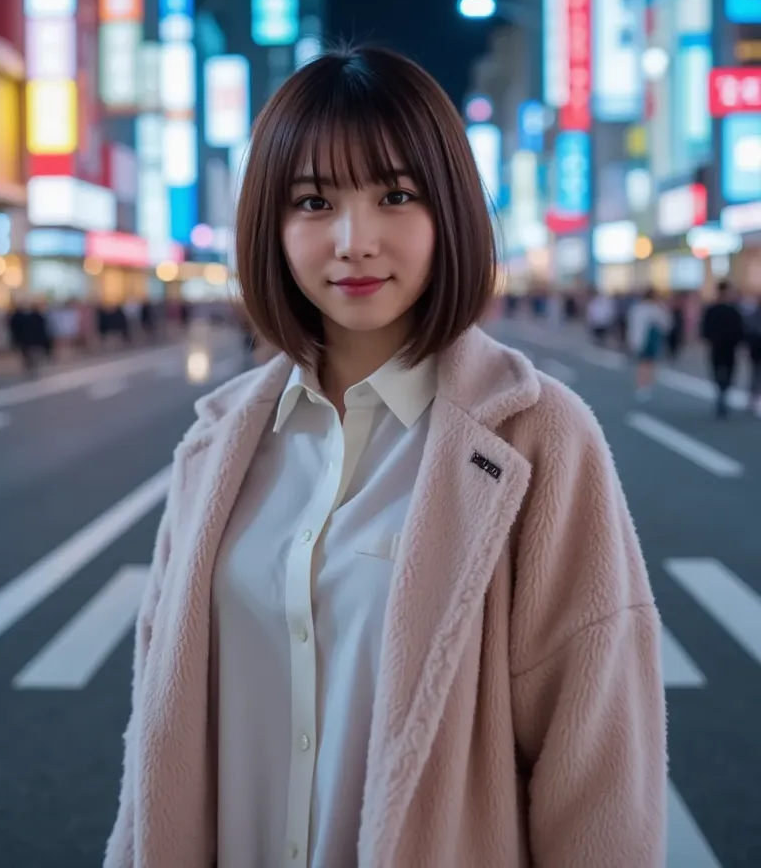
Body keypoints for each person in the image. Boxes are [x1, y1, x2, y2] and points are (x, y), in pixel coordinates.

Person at [105, 45, 666, 868]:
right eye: (312, 200)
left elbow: (598, 776)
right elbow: (153, 756)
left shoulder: (537, 439)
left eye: (396, 195)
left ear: (449, 211)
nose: (353, 240)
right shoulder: (217, 444)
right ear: (271, 223)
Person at [701, 281, 745, 419]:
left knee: (722, 371)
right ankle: (722, 394)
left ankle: (722, 394)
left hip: (722, 346)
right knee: (724, 371)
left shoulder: (726, 309)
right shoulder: (728, 310)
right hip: (724, 346)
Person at [627, 288, 671, 401]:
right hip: (650, 338)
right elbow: (666, 324)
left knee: (644, 363)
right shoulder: (655, 308)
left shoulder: (638, 308)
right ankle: (645, 385)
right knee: (648, 363)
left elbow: (632, 325)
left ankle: (643, 385)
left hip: (642, 339)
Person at [742, 295, 761, 417]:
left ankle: (753, 399)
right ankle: (753, 399)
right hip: (757, 350)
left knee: (755, 375)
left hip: (755, 350)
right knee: (756, 375)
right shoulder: (754, 315)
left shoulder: (753, 315)